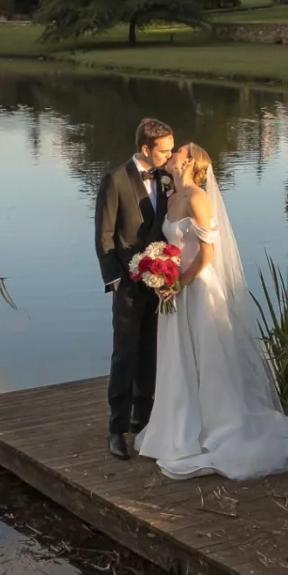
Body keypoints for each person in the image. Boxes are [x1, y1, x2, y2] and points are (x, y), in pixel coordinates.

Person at [134, 143, 288, 480]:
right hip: (175, 289)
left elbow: (207, 253)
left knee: (208, 358)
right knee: (180, 357)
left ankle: (217, 426)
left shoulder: (197, 199)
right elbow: (174, 246)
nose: (172, 153)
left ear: (190, 161)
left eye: (178, 151)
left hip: (198, 289)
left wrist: (180, 282)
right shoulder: (172, 196)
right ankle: (177, 426)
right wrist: (161, 270)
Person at [96, 117, 176, 460]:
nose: (170, 156)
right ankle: (116, 429)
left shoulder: (168, 179)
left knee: (150, 354)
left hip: (160, 284)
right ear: (146, 148)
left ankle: (142, 422)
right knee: (124, 355)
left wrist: (169, 274)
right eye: (165, 150)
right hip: (127, 284)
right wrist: (115, 279)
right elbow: (104, 236)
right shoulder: (115, 179)